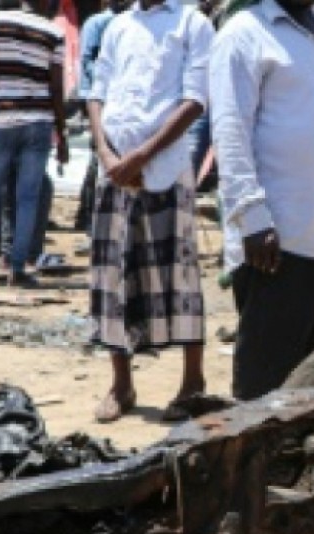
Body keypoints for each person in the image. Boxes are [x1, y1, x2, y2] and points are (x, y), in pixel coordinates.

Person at [211, 0, 314, 401]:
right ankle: (255, 460)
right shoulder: (243, 33)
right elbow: (229, 130)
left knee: (312, 373)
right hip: (275, 235)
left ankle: (294, 461)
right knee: (266, 377)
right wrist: (251, 217)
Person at [86, 0, 213, 422]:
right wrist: (107, 155)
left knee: (178, 274)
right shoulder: (118, 26)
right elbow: (97, 91)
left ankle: (193, 382)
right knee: (112, 274)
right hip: (114, 170)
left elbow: (196, 100)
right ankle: (121, 385)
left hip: (166, 170)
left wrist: (140, 157)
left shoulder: (191, 23)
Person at [0, 0, 69, 287]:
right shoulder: (53, 32)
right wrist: (62, 132)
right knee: (27, 198)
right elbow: (56, 87)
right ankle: (16, 268)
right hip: (38, 121)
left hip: (2, 119)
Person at [74, 0, 130, 238]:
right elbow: (88, 60)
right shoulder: (98, 22)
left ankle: (88, 213)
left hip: (114, 98)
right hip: (96, 98)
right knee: (99, 154)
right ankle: (87, 213)